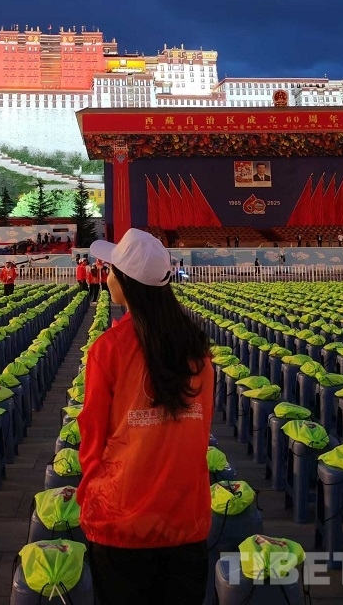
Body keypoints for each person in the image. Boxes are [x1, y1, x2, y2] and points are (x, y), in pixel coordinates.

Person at [76, 229, 213, 605]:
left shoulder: (109, 349)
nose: (106, 277)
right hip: (185, 516)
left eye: (111, 270)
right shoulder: (198, 351)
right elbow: (201, 431)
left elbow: (92, 438)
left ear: (127, 282)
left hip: (122, 519)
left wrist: (91, 494)